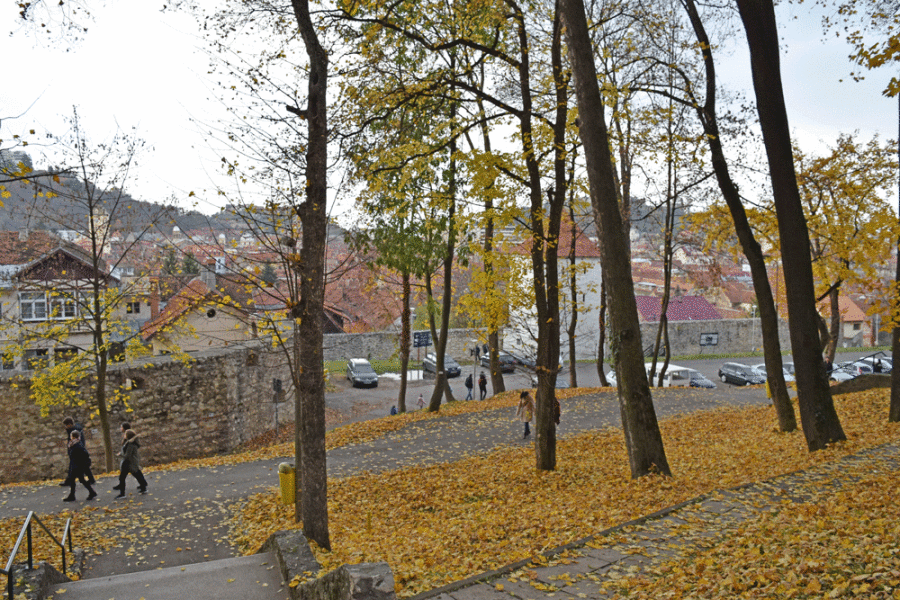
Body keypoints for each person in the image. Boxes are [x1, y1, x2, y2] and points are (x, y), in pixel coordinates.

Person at [61, 416, 95, 487]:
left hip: (77, 451)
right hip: (77, 450)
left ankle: (70, 481)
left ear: (69, 424)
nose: (65, 427)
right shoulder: (74, 430)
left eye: (66, 425)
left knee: (78, 467)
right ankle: (90, 480)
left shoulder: (74, 431)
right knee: (83, 467)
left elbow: (77, 441)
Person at [64, 431, 96, 502]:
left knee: (75, 480)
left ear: (73, 437)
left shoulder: (77, 445)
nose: (70, 437)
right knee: (79, 480)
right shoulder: (75, 444)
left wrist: (81, 464)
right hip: (76, 465)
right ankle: (91, 492)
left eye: (71, 436)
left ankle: (73, 495)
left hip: (78, 466)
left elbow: (84, 454)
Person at [115, 429, 148, 498]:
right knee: (136, 475)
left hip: (128, 463)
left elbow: (128, 456)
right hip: (130, 463)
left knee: (123, 478)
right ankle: (143, 488)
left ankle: (122, 494)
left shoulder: (130, 444)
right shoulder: (130, 443)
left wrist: (120, 455)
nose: (124, 435)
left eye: (125, 434)